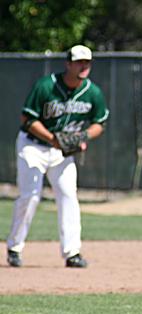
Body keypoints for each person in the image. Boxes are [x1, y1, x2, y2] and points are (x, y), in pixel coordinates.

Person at [6, 45, 109, 268]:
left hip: (62, 153)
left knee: (68, 195)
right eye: (79, 62)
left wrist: (83, 137)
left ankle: (72, 252)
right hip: (32, 147)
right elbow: (28, 119)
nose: (84, 66)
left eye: (87, 62)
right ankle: (14, 246)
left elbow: (99, 123)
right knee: (30, 196)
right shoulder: (46, 86)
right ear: (68, 64)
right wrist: (54, 139)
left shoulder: (93, 92)